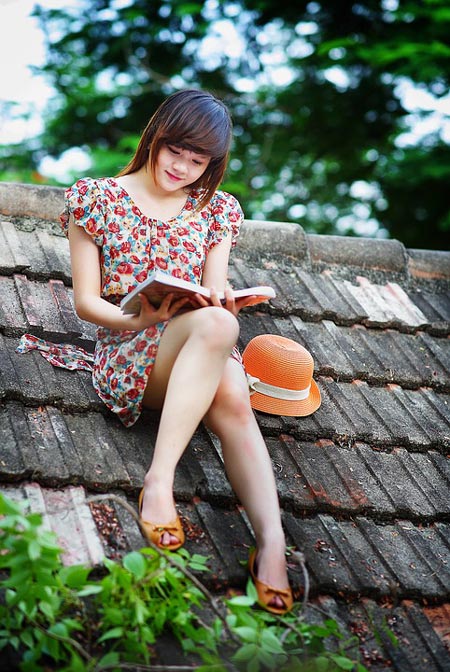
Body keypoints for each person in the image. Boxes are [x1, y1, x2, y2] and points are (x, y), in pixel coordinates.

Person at [60, 89, 293, 615]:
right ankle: (158, 480)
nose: (183, 167)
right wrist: (137, 316)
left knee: (231, 385)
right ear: (156, 137)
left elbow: (213, 294)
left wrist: (227, 299)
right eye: (176, 152)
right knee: (215, 335)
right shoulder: (95, 198)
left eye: (198, 160)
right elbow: (85, 302)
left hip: (200, 345)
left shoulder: (216, 212)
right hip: (130, 348)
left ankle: (273, 543)